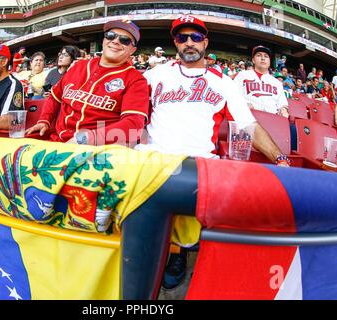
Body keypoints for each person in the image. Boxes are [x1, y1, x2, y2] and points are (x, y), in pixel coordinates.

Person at [137, 16, 291, 290]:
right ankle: (155, 249)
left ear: (205, 42)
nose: (188, 42)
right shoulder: (155, 74)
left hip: (199, 161)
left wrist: (279, 158)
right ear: (175, 43)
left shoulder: (222, 82)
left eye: (195, 37)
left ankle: (178, 249)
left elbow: (248, 126)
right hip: (154, 156)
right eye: (182, 37)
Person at [26, 20, 149, 146]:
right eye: (110, 36)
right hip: (57, 141)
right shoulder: (78, 66)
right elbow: (55, 96)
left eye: (125, 40)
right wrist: (44, 120)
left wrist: (88, 138)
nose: (115, 41)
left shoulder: (136, 80)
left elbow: (134, 125)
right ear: (104, 40)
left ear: (132, 50)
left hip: (96, 150)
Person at [234, 46, 289, 118]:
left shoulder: (277, 83)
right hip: (247, 116)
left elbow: (283, 103)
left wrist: (283, 109)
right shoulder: (243, 75)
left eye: (266, 56)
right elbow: (233, 95)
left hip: (272, 119)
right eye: (259, 55)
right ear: (253, 60)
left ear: (269, 61)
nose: (263, 58)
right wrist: (243, 104)